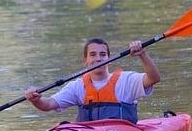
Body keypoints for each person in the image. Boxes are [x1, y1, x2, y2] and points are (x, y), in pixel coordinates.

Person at [24, 38, 160, 124]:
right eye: (93, 54)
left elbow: (154, 78)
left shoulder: (126, 80)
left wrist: (143, 55)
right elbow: (48, 105)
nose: (98, 59)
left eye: (103, 54)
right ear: (85, 61)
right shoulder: (77, 87)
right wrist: (36, 100)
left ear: (109, 58)